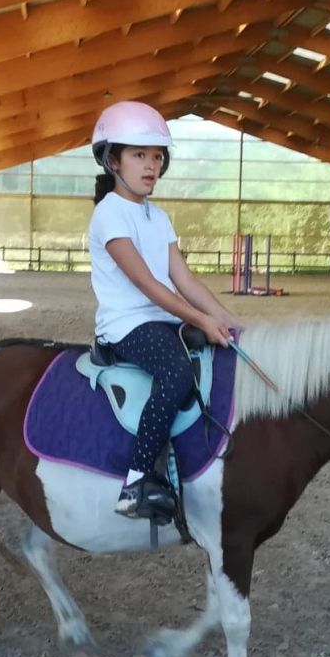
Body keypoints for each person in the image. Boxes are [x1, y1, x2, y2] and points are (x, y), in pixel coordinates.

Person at [86, 102, 245, 520]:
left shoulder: (159, 217)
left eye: (157, 156)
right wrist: (201, 320)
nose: (151, 165)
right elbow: (148, 285)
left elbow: (185, 280)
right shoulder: (108, 215)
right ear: (112, 159)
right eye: (139, 155)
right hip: (126, 326)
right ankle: (136, 482)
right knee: (176, 371)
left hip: (162, 321)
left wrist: (226, 319)